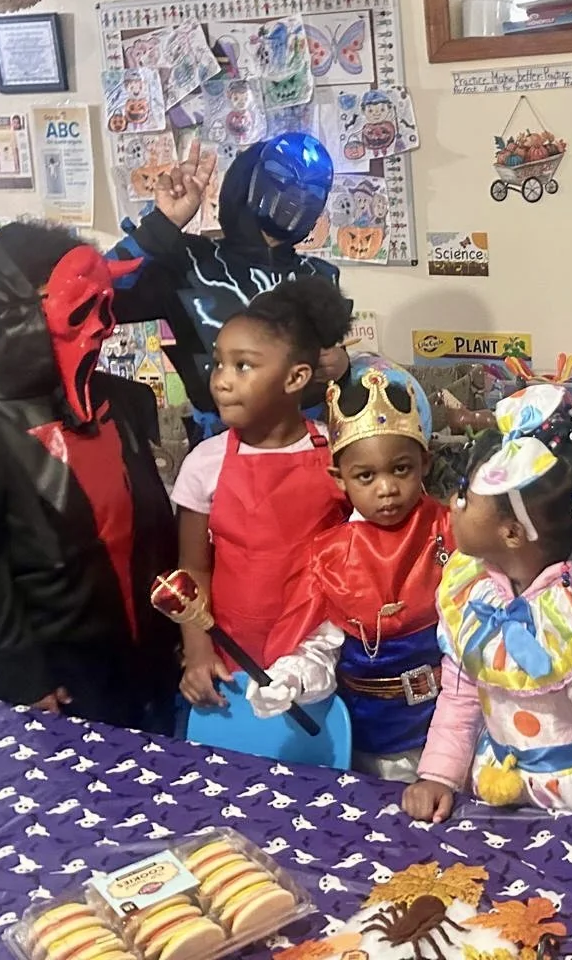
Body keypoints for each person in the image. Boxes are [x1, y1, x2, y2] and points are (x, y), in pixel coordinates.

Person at [0, 222, 178, 730]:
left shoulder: (123, 404)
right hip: (64, 678)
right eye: (79, 308)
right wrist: (24, 678)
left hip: (148, 659)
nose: (102, 328)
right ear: (17, 319)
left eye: (105, 307)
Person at [402, 386, 572, 828]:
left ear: (511, 534)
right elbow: (462, 695)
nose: (452, 504)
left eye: (465, 497)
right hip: (493, 793)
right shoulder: (473, 589)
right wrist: (438, 776)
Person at [246, 366, 449, 782]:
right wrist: (291, 679)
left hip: (449, 728)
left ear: (424, 463)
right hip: (366, 739)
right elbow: (318, 647)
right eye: (366, 476)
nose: (386, 488)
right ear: (340, 479)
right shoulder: (330, 557)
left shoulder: (450, 532)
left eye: (401, 469)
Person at [173, 276, 354, 701]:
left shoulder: (338, 455)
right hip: (232, 665)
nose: (221, 381)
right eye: (218, 363)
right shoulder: (205, 463)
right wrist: (197, 652)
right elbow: (193, 568)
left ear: (296, 377)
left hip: (322, 662)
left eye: (244, 366)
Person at [108, 132, 349, 440]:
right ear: (248, 181)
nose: (300, 196)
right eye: (284, 179)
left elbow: (332, 369)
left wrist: (341, 367)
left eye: (314, 189)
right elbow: (82, 299)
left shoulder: (320, 276)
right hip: (220, 457)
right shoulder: (189, 262)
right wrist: (161, 227)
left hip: (308, 451)